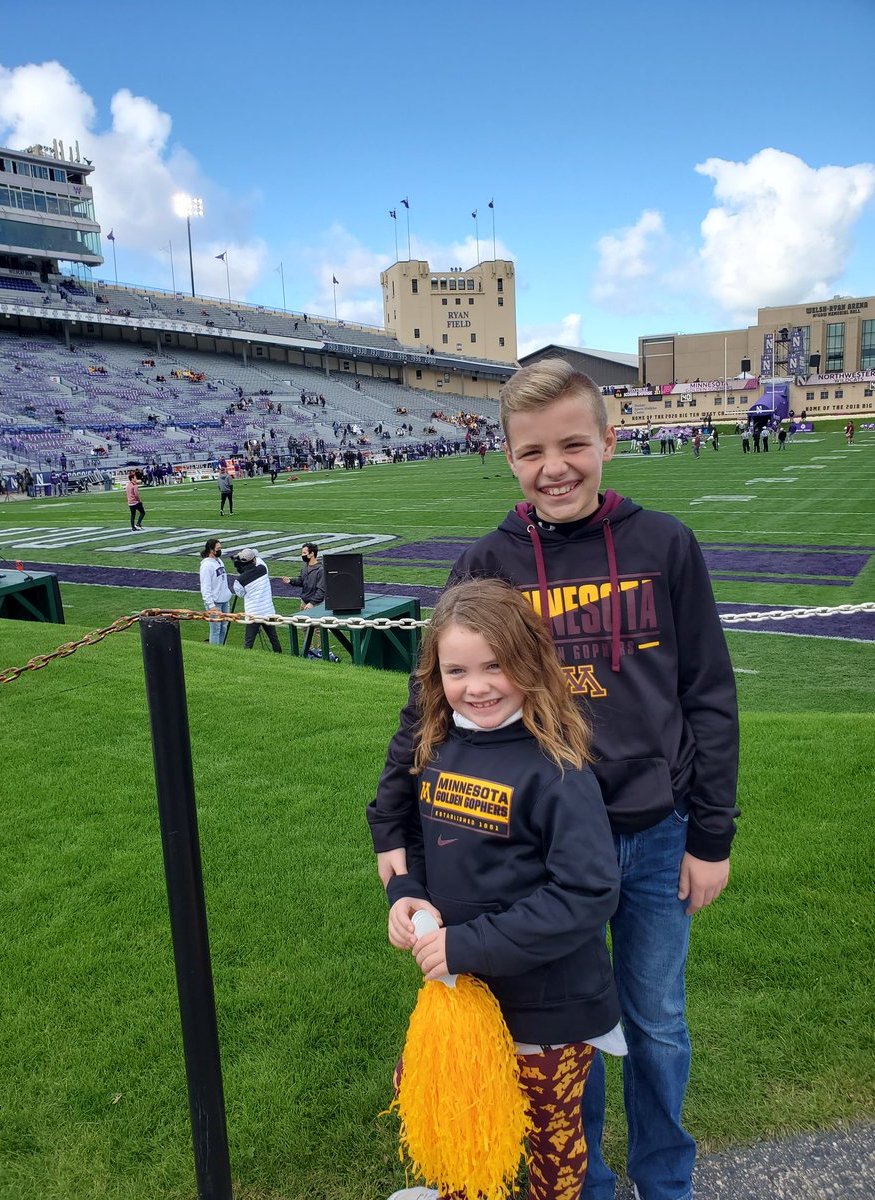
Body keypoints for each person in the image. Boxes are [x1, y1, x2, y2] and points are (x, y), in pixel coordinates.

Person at [369, 360, 739, 1200]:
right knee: (575, 1030)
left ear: (609, 442)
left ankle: (666, 1180)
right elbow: (428, 701)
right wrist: (391, 822)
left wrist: (710, 833)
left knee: (656, 1021)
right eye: (534, 451)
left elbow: (709, 696)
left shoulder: (664, 545)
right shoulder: (488, 560)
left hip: (650, 832)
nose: (556, 466)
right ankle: (589, 1183)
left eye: (575, 444)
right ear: (509, 458)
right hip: (533, 849)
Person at [383, 578, 622, 1200]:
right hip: (464, 1001)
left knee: (550, 1139)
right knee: (463, 1121)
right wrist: (406, 892)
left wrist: (469, 945)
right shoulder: (436, 746)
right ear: (435, 675)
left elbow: (587, 892)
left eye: (496, 665)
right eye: (456, 670)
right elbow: (413, 834)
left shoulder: (558, 768)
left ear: (530, 663)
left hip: (550, 1008)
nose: (478, 685)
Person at [281, 542, 329, 657]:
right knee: (305, 627)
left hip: (315, 605)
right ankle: (310, 651)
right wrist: (291, 581)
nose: (302, 555)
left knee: (318, 629)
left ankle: (322, 652)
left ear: (312, 554)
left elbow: (321, 590)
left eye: (304, 553)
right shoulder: (305, 567)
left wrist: (312, 603)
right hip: (304, 602)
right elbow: (302, 581)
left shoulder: (320, 570)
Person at [232, 548, 282, 651]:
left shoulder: (239, 581)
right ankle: (279, 656)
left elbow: (240, 594)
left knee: (249, 641)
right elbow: (257, 561)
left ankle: (245, 660)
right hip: (268, 611)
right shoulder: (262, 569)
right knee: (274, 638)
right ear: (254, 559)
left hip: (253, 613)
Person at [199, 539, 231, 646]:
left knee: (224, 627)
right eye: (218, 549)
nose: (220, 551)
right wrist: (211, 605)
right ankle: (215, 651)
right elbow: (205, 587)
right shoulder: (207, 566)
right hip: (215, 602)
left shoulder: (219, 561)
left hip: (224, 600)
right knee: (216, 629)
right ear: (211, 550)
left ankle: (223, 649)